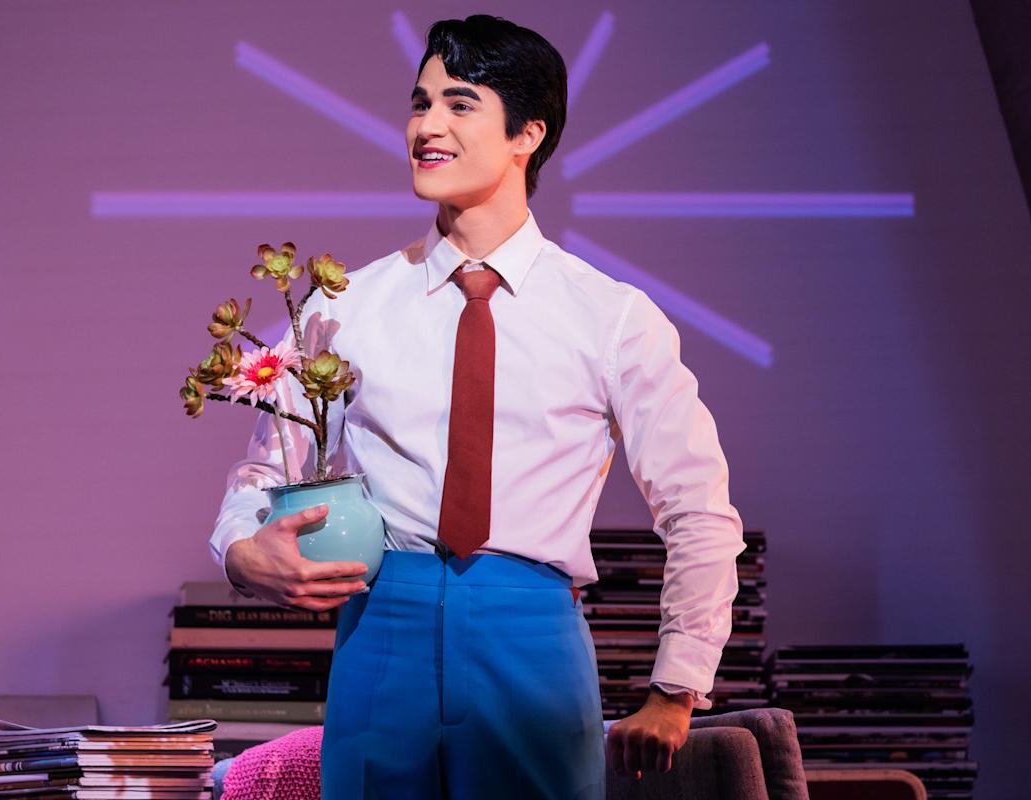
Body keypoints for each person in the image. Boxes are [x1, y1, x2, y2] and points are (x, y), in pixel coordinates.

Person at [209, 13, 746, 800]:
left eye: (460, 105)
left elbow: (699, 510)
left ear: (528, 133)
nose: (427, 126)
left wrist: (678, 685)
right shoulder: (342, 307)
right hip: (382, 626)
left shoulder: (612, 316)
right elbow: (263, 471)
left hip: (531, 635)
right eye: (420, 103)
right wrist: (240, 552)